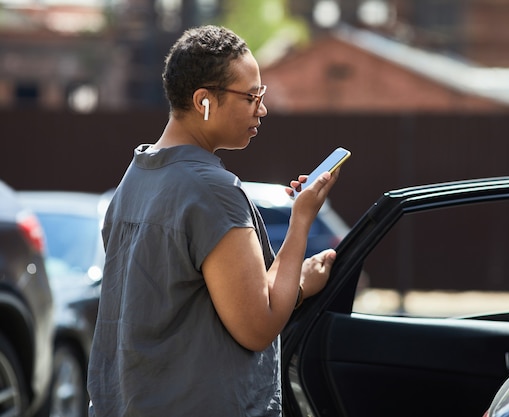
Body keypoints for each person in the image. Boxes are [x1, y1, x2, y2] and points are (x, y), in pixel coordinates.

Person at [87, 25, 340, 416]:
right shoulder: (213, 191)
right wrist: (300, 222)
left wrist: (299, 286)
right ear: (204, 100)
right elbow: (257, 326)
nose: (262, 108)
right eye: (251, 96)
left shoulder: (136, 176)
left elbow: (199, 304)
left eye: (262, 95)